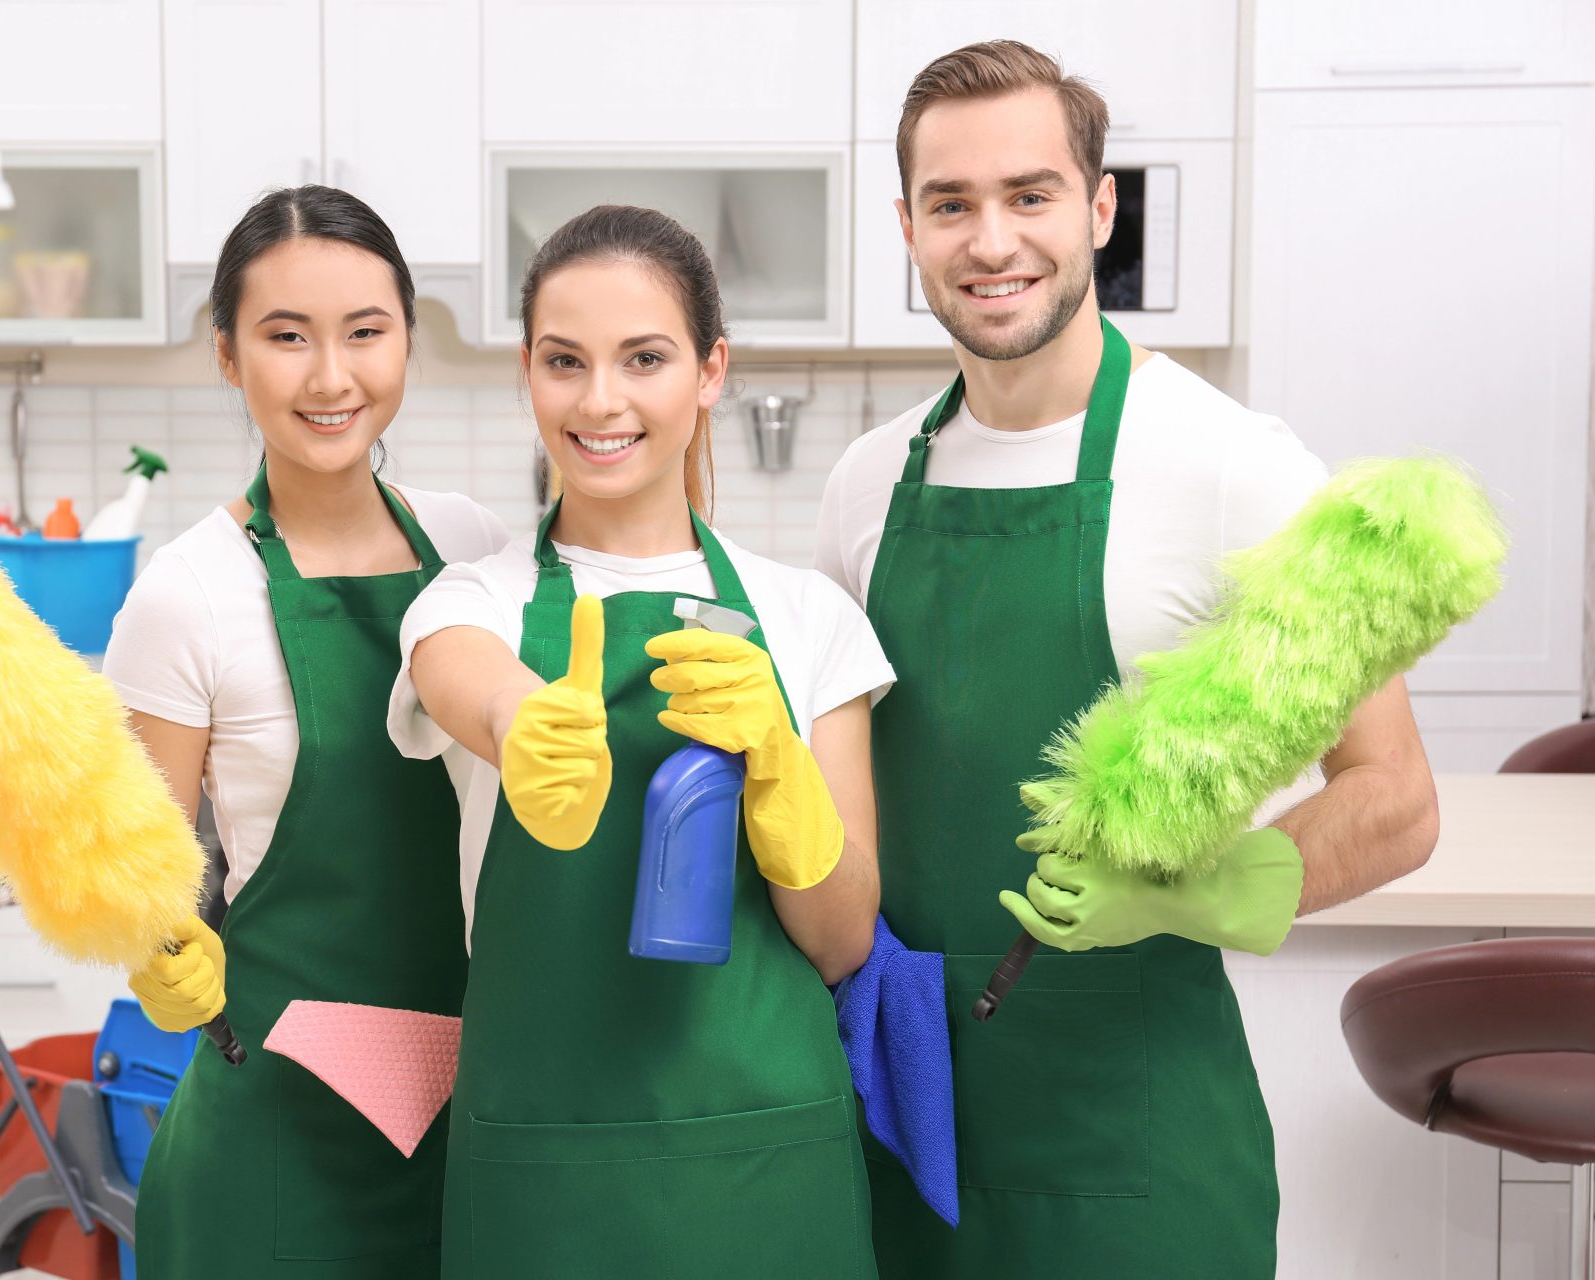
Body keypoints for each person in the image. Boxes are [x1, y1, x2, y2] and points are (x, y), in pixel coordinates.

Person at [814, 41, 1440, 1278]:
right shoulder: (866, 481)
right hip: (903, 1128)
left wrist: (1191, 894)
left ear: (1100, 207)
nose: (992, 240)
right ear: (908, 227)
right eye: (952, 204)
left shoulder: (1233, 467)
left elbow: (1397, 798)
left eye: (1030, 194)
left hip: (1136, 1155)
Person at [392, 204, 891, 1278]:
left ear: (711, 370)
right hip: (543, 1171)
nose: (601, 400)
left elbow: (846, 940)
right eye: (564, 361)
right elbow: (467, 681)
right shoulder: (470, 601)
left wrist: (781, 777)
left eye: (645, 358)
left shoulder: (807, 617)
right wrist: (527, 725)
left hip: (767, 1163)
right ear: (527, 371)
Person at [103, 185, 512, 1278]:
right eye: (286, 337)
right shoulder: (187, 592)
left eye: (365, 333)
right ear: (229, 355)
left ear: (407, 342)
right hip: (276, 1144)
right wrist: (156, 950)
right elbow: (141, 872)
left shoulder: (474, 545)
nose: (331, 378)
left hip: (478, 1119)